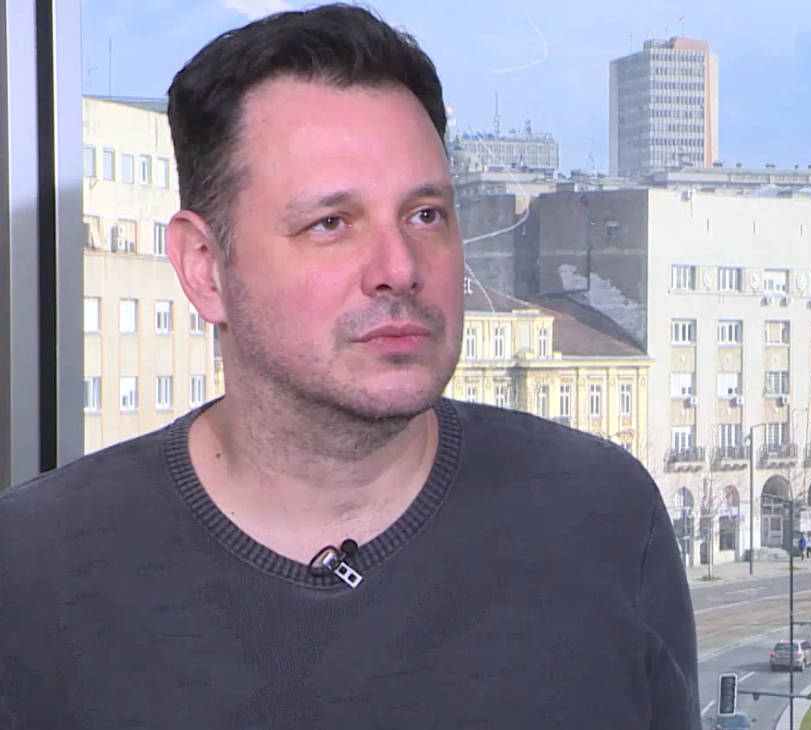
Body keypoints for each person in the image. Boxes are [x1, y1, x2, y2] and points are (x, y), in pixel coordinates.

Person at [0, 5, 700, 728]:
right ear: (204, 268)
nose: (400, 267)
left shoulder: (602, 515)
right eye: (331, 223)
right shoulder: (32, 570)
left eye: (426, 214)